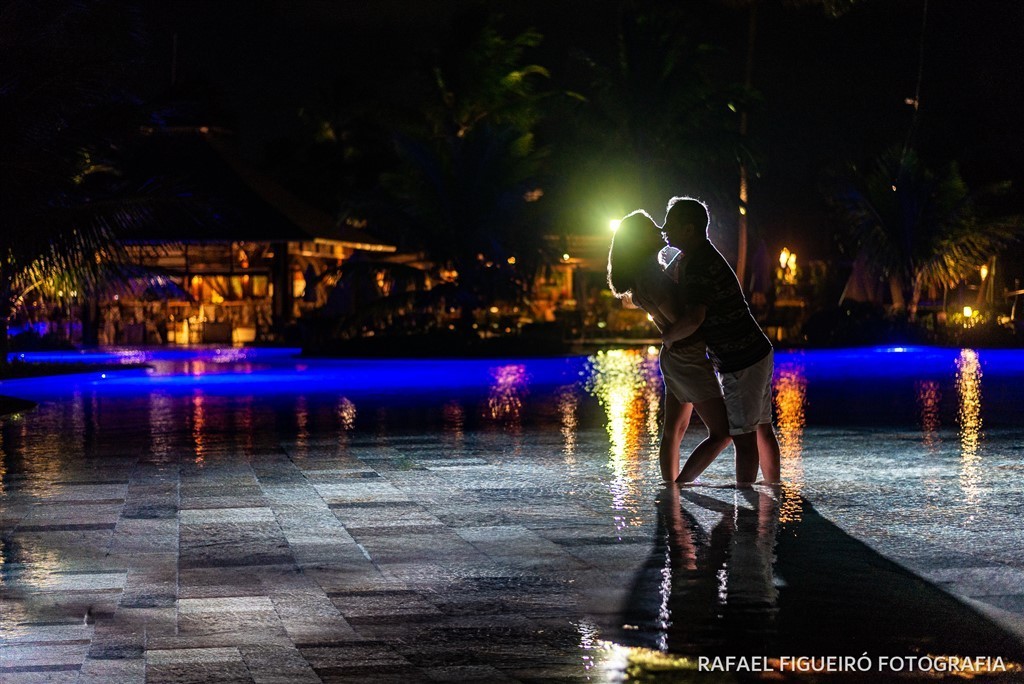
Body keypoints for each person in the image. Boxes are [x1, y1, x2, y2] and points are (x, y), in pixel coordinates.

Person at [660, 197, 781, 486]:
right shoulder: (696, 256)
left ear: (688, 229)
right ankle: (774, 490)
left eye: (670, 223)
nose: (663, 228)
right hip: (757, 351)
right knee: (761, 427)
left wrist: (669, 337)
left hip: (741, 359)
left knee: (743, 436)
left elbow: (695, 317)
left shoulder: (699, 264)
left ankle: (746, 502)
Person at [607, 210, 732, 483]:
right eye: (652, 228)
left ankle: (670, 491)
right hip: (686, 354)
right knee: (724, 432)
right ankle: (682, 484)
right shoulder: (651, 276)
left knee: (674, 431)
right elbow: (681, 319)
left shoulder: (646, 273)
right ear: (641, 240)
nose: (660, 230)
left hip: (677, 355)